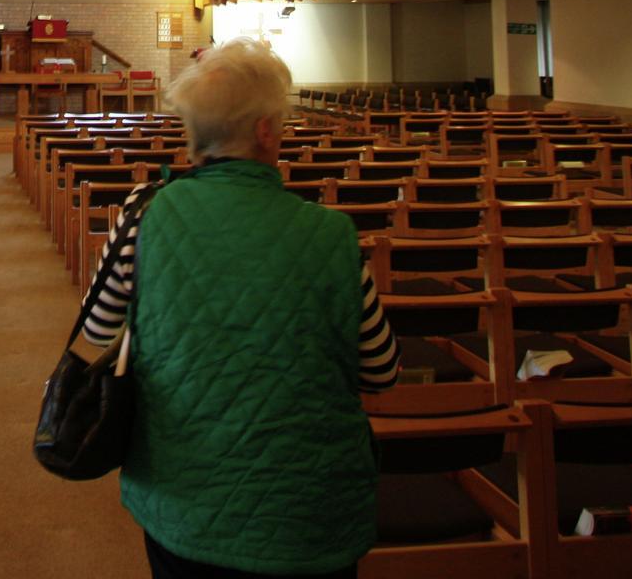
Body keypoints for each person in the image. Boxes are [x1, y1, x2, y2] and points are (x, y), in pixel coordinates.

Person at [79, 38, 398, 578]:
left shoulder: (143, 215)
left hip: (184, 494)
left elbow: (95, 332)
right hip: (310, 507)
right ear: (266, 131)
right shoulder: (331, 233)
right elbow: (381, 369)